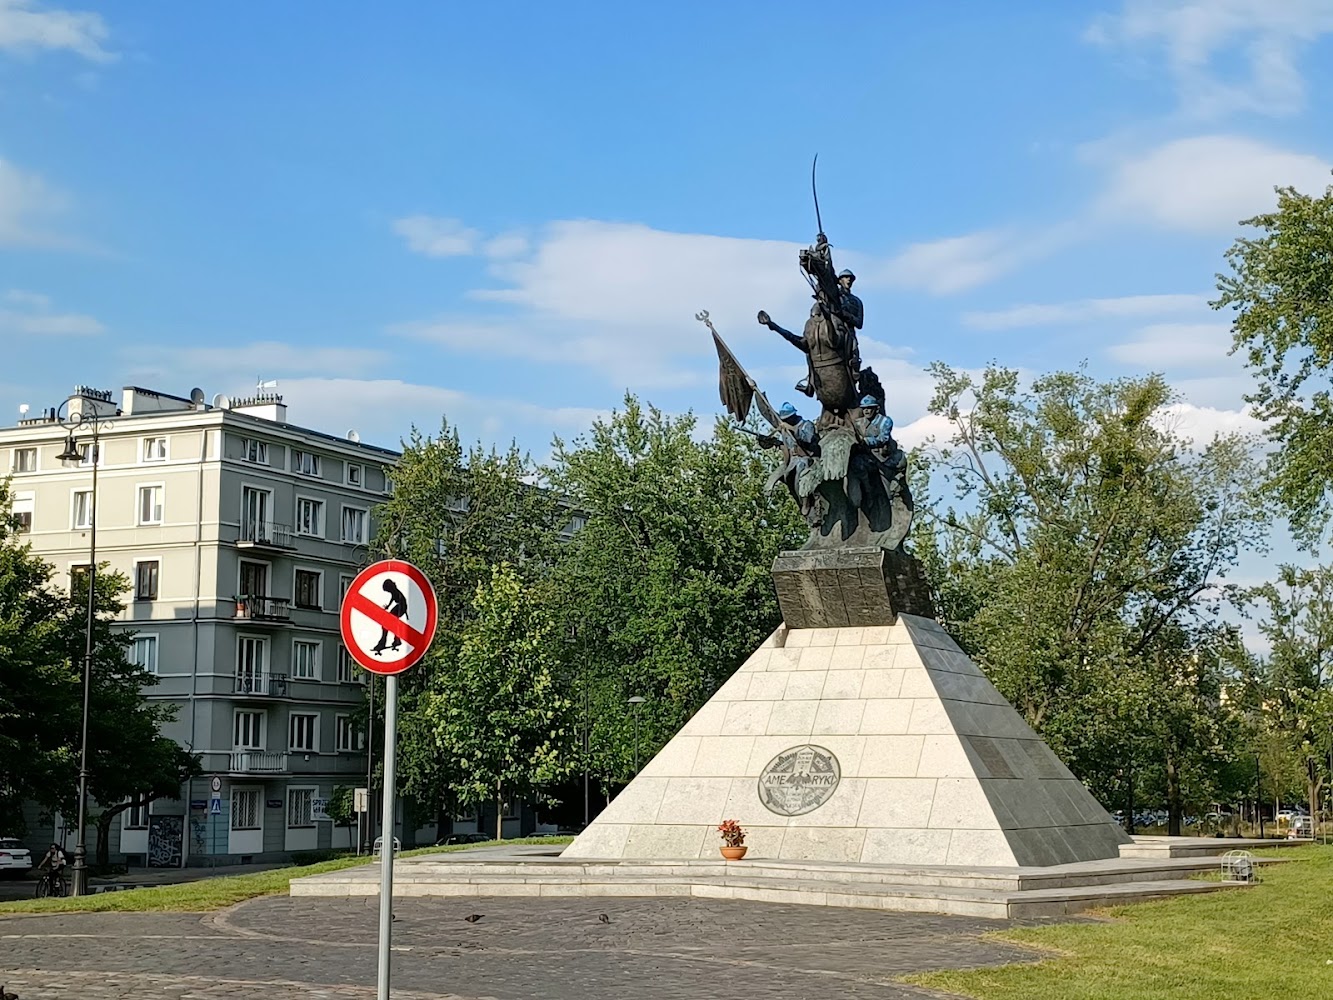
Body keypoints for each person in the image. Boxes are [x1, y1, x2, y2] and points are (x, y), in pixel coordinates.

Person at [370, 579, 408, 655]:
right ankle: (396, 640)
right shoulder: (394, 591)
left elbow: (401, 600)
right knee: (387, 624)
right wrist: (388, 606)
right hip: (400, 607)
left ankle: (386, 642)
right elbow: (393, 599)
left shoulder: (395, 591)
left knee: (387, 624)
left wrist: (398, 614)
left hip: (401, 607)